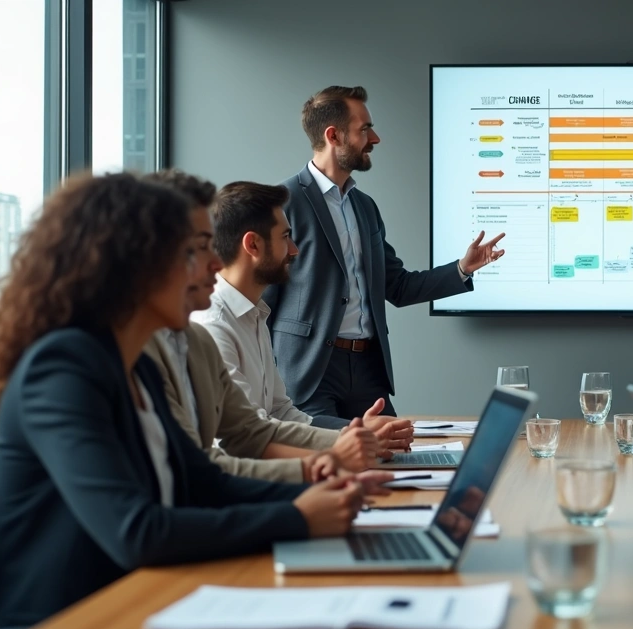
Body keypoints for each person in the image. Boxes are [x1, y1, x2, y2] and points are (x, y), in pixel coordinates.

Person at [0, 174, 393, 629]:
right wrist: (296, 517)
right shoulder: (60, 370)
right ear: (134, 262)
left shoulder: (137, 367)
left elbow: (202, 483)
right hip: (71, 621)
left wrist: (318, 490)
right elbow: (136, 532)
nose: (214, 265)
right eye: (195, 251)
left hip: (143, 598)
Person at [140, 170, 412, 483]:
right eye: (203, 247)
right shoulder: (207, 328)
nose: (216, 263)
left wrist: (352, 438)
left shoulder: (237, 322)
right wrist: (331, 462)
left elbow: (262, 424)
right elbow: (216, 459)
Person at [267, 85, 505, 418]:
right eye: (364, 129)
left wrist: (462, 269)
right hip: (309, 373)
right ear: (333, 135)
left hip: (368, 371)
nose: (375, 138)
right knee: (332, 464)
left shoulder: (365, 207)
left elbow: (398, 286)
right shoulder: (283, 203)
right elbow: (261, 302)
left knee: (396, 456)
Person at [193, 181, 396, 436]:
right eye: (285, 237)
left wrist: (356, 431)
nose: (294, 250)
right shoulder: (214, 325)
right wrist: (343, 445)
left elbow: (282, 413)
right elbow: (246, 434)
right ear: (253, 245)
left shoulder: (256, 315)